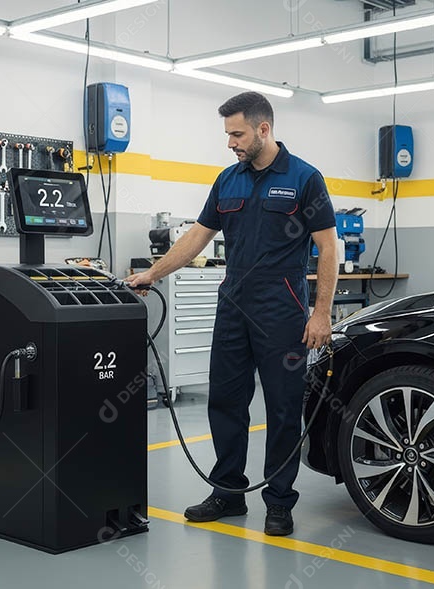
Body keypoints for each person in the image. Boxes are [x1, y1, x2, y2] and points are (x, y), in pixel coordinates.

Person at [125, 91, 338, 536]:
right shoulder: (227, 181)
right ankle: (227, 492)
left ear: (264, 129)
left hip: (283, 307)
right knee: (225, 400)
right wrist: (152, 274)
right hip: (234, 305)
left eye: (237, 134)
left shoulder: (304, 179)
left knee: (282, 407)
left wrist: (321, 314)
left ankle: (279, 501)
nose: (231, 143)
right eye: (228, 134)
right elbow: (197, 238)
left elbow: (327, 248)